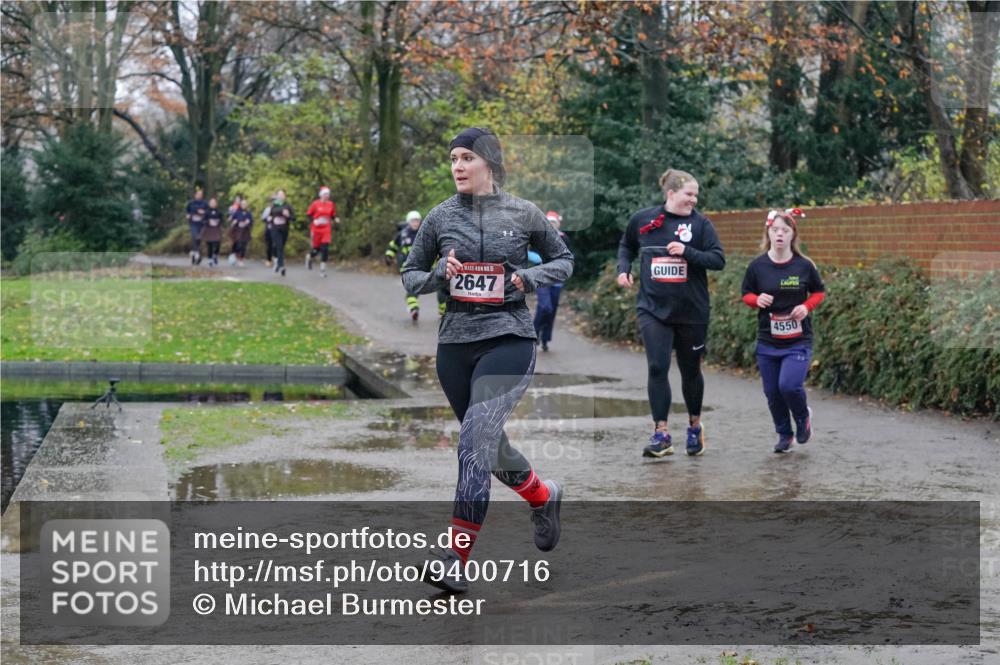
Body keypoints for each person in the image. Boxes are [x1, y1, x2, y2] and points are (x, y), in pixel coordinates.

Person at [401, 127, 573, 593]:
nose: (457, 166)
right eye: (453, 158)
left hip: (509, 339)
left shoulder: (523, 212)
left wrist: (529, 277)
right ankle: (542, 495)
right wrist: (440, 272)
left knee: (475, 440)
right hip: (455, 347)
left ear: (489, 163)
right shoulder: (440, 217)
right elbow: (410, 275)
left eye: (466, 158)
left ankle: (454, 558)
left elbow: (564, 260)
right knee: (487, 446)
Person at [617, 168, 725, 458]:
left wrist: (687, 252)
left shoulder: (701, 225)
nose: (694, 200)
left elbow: (718, 260)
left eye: (696, 195)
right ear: (671, 193)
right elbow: (626, 246)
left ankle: (694, 426)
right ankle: (661, 433)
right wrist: (623, 269)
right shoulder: (643, 219)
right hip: (653, 309)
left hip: (692, 311)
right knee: (657, 366)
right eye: (689, 194)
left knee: (690, 371)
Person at [741, 208, 825, 453]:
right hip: (768, 341)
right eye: (775, 230)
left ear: (792, 235)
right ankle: (784, 434)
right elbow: (746, 294)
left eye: (785, 230)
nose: (779, 234)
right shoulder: (757, 266)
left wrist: (806, 307)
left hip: (798, 340)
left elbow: (818, 292)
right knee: (772, 392)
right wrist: (756, 300)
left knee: (788, 386)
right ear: (768, 233)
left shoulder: (804, 266)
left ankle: (802, 417)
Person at [532, 211, 572, 352]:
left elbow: (569, 257)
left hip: (557, 279)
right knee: (545, 307)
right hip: (541, 277)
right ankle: (534, 333)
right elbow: (528, 252)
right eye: (549, 222)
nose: (551, 225)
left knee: (552, 310)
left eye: (554, 222)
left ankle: (545, 339)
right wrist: (535, 258)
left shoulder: (564, 238)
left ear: (558, 224)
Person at [385, 210, 424, 320]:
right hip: (406, 268)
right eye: (413, 221)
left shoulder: (424, 233)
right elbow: (393, 246)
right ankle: (413, 308)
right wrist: (389, 256)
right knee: (413, 288)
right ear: (408, 222)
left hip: (421, 267)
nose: (415, 223)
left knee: (414, 288)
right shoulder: (402, 234)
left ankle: (413, 308)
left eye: (417, 221)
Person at [305, 186, 339, 277]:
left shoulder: (331, 204)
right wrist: (314, 220)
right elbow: (309, 214)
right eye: (325, 194)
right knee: (316, 250)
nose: (327, 196)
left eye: (328, 194)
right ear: (321, 195)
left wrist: (335, 219)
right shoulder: (315, 204)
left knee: (325, 248)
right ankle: (309, 257)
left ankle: (322, 269)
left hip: (326, 229)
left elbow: (332, 215)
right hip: (316, 229)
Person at [263, 189, 294, 276]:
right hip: (275, 229)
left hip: (284, 229)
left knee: (281, 247)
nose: (281, 196)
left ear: (285, 196)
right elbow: (269, 216)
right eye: (279, 195)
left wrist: (288, 216)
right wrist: (269, 219)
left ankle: (277, 262)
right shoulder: (274, 206)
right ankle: (281, 266)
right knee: (279, 246)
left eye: (282, 195)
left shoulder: (288, 206)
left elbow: (293, 218)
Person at [184, 188, 208, 265]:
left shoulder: (205, 203)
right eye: (198, 194)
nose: (199, 195)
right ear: (195, 195)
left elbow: (209, 212)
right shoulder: (191, 203)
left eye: (201, 194)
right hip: (193, 223)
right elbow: (187, 210)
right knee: (195, 237)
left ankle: (195, 255)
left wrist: (204, 212)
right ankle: (197, 253)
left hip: (202, 224)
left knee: (198, 240)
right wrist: (188, 215)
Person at [229, 197, 253, 268]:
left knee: (244, 245)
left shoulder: (248, 213)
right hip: (238, 231)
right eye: (242, 204)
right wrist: (235, 222)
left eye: (245, 204)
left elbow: (251, 222)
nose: (244, 205)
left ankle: (241, 259)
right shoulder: (237, 212)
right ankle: (235, 255)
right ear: (240, 204)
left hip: (245, 231)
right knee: (238, 244)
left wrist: (248, 222)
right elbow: (232, 220)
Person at [201, 196, 224, 266]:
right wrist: (208, 222)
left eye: (214, 202)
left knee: (217, 243)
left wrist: (218, 222)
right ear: (209, 204)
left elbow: (222, 220)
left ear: (216, 204)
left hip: (216, 229)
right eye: (211, 203)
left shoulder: (219, 212)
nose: (213, 204)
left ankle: (215, 254)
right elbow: (203, 220)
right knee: (209, 244)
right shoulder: (206, 212)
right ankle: (210, 259)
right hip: (209, 229)